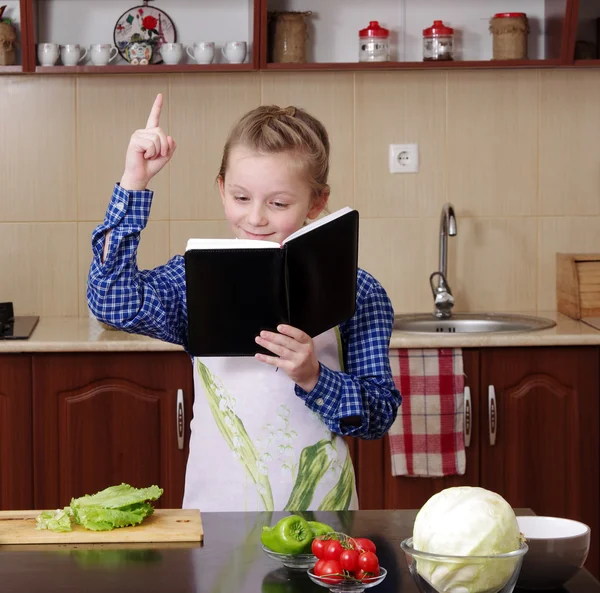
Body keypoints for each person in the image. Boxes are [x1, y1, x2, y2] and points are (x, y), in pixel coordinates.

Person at [87, 93, 401, 512]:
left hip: (324, 517)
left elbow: (378, 416)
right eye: (240, 197)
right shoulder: (194, 278)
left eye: (278, 203)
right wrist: (134, 182)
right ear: (221, 190)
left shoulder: (359, 291)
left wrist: (314, 376)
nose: (255, 218)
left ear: (318, 201)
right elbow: (111, 301)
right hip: (216, 514)